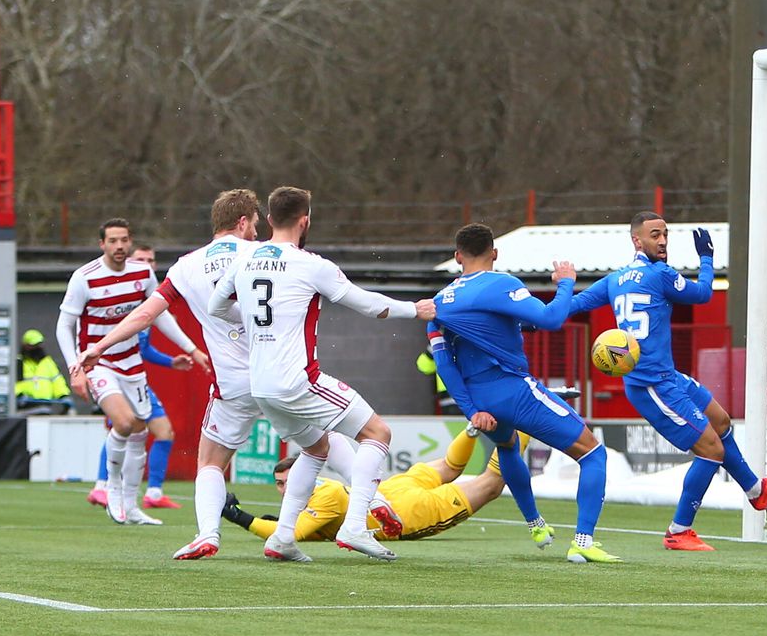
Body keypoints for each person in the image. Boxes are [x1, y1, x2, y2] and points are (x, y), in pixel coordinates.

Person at [208, 185, 436, 563]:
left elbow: (217, 307)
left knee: (316, 449)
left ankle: (282, 538)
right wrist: (414, 310)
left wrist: (255, 320)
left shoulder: (243, 260)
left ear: (268, 219)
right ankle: (355, 527)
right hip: (299, 379)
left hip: (261, 384)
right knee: (378, 433)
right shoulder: (311, 264)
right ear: (305, 221)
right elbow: (367, 305)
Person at [75, 189, 300, 560]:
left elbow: (148, 314)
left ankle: (207, 533)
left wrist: (98, 347)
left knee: (209, 462)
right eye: (255, 224)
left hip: (231, 385)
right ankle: (345, 518)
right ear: (244, 222)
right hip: (281, 374)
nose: (257, 231)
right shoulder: (268, 255)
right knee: (331, 445)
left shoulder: (186, 265)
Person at [569, 211, 767, 552]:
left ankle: (755, 490)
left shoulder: (614, 280)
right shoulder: (660, 274)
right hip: (651, 384)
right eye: (655, 235)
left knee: (720, 421)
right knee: (711, 449)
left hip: (668, 375)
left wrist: (537, 313)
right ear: (637, 240)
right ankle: (679, 529)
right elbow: (704, 293)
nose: (662, 241)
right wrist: (706, 258)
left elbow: (573, 305)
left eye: (665, 235)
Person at [429, 222, 619, 563]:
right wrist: (565, 284)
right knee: (593, 454)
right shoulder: (501, 284)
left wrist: (472, 410)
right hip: (513, 391)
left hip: (481, 399)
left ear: (458, 256)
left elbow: (445, 366)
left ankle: (536, 525)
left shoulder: (439, 303)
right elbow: (550, 319)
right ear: (495, 253)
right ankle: (583, 540)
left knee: (507, 446)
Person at [58, 218, 209, 526]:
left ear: (130, 242)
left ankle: (132, 504)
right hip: (98, 364)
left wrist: (191, 347)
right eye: (112, 240)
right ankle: (109, 489)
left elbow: (159, 316)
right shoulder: (84, 278)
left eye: (124, 240)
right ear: (102, 244)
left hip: (132, 365)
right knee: (125, 423)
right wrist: (75, 367)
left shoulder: (143, 273)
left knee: (141, 430)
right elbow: (64, 325)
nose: (119, 246)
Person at [222, 428, 530, 543]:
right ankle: (472, 429)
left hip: (409, 513)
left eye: (289, 482)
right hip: (394, 487)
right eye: (279, 484)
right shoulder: (323, 491)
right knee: (451, 468)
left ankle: (524, 422)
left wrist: (238, 517)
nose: (285, 489)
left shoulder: (325, 495)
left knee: (491, 483)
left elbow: (293, 534)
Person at [85, 244, 195, 510]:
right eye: (141, 259)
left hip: (135, 377)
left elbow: (143, 347)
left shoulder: (148, 300)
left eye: (151, 259)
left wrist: (173, 360)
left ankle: (152, 493)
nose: (147, 263)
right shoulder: (121, 300)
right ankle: (104, 487)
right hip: (114, 373)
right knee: (124, 427)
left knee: (161, 431)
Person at [14, 329, 72, 414]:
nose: (37, 347)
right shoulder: (19, 362)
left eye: (39, 344)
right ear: (25, 346)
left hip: (46, 406)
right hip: (25, 407)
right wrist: (19, 395)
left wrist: (63, 396)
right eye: (33, 345)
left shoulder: (47, 362)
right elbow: (13, 384)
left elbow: (57, 381)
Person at [415, 344, 459, 414]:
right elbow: (425, 367)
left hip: (473, 394)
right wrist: (431, 350)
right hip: (448, 397)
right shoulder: (440, 340)